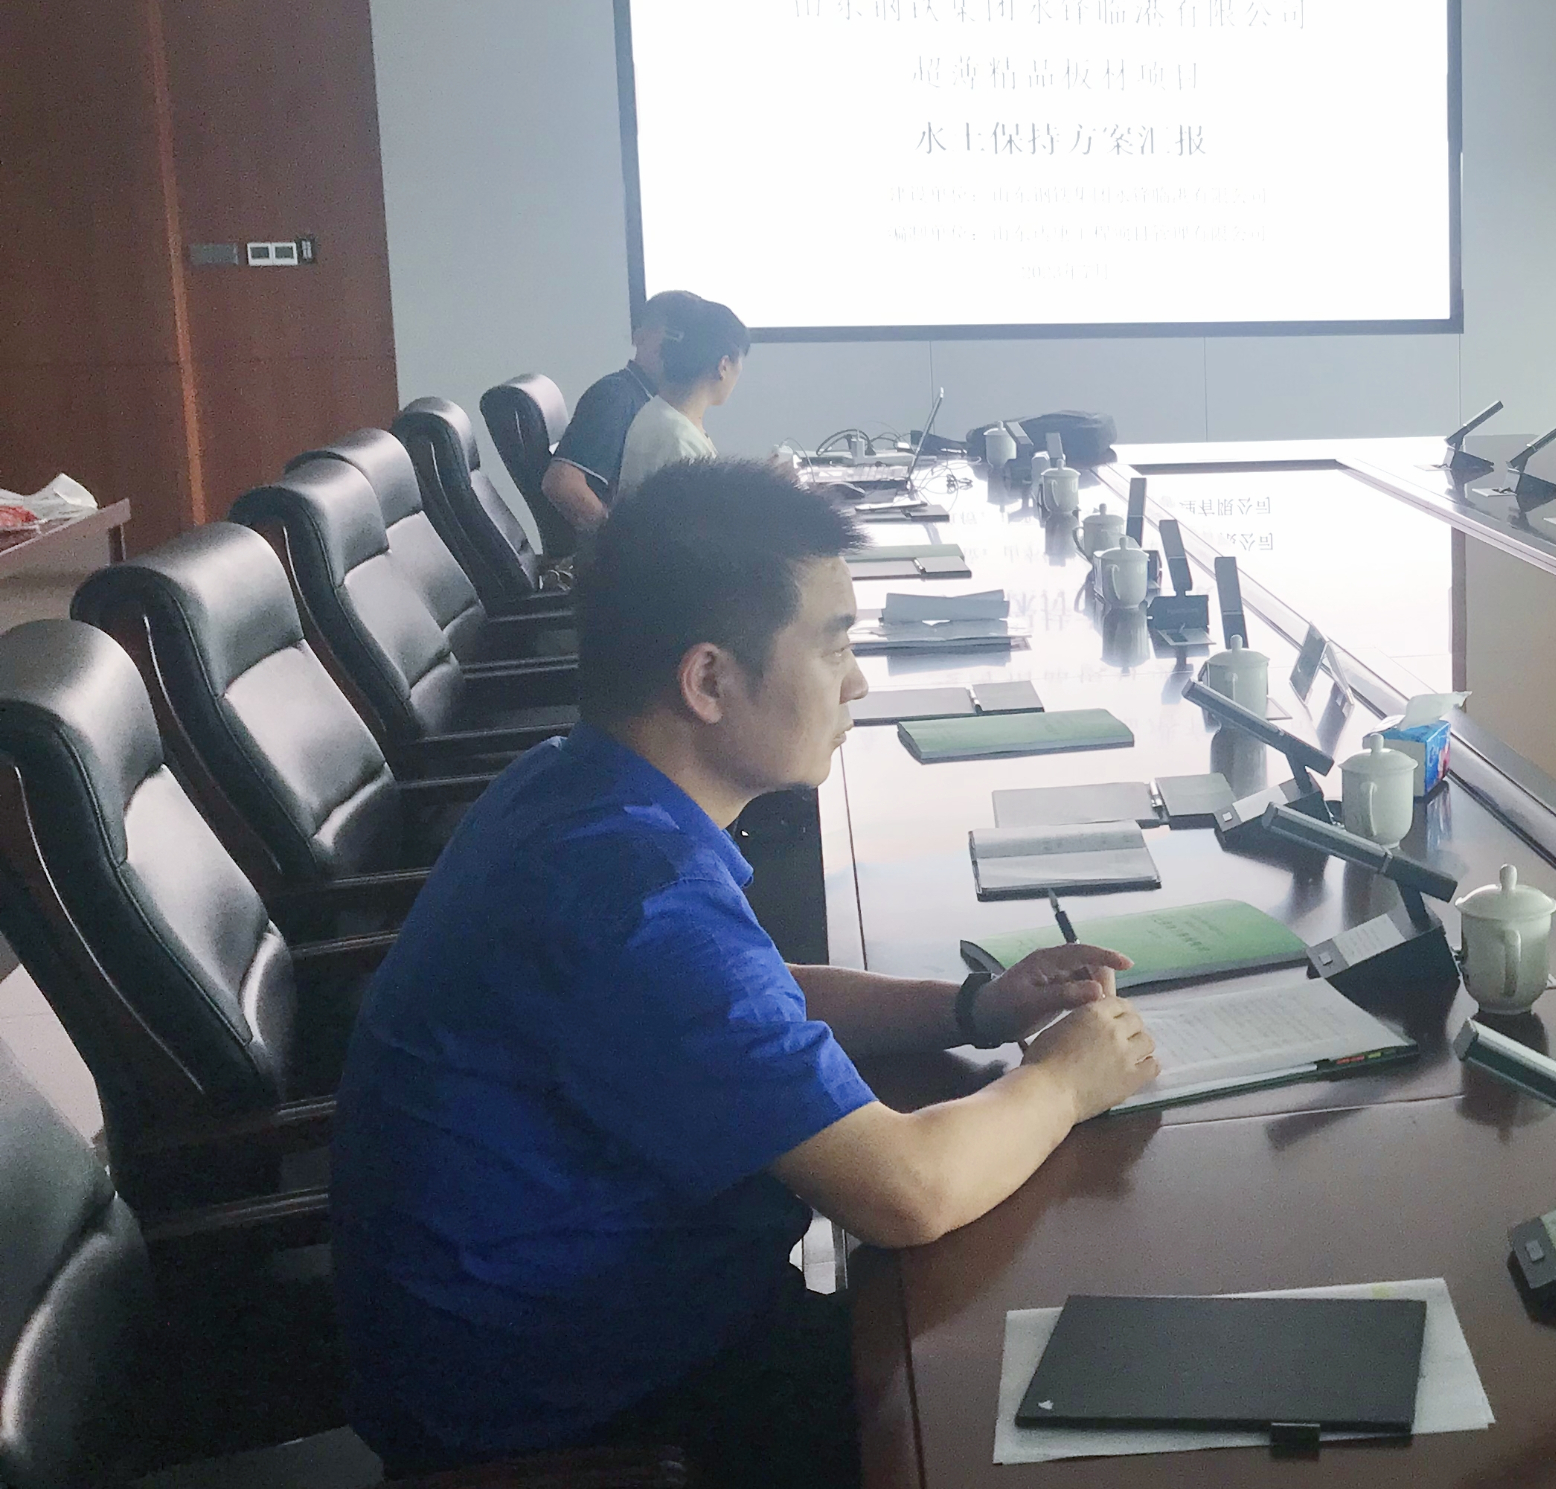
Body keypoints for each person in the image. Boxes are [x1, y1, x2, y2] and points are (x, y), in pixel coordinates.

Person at [332, 461, 1160, 1484]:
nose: (857, 682)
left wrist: (972, 1007)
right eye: (834, 645)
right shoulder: (632, 896)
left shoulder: (577, 787)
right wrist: (1065, 1080)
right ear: (710, 681)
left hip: (577, 1335)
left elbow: (750, 995)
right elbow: (908, 1191)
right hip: (573, 1413)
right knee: (1044, 1403)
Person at [541, 289, 708, 538]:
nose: (679, 350)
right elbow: (563, 483)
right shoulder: (616, 397)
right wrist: (621, 542)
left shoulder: (660, 402)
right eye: (673, 337)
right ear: (639, 336)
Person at [616, 298, 749, 500]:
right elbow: (706, 514)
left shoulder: (660, 412)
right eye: (739, 361)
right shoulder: (678, 440)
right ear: (723, 365)